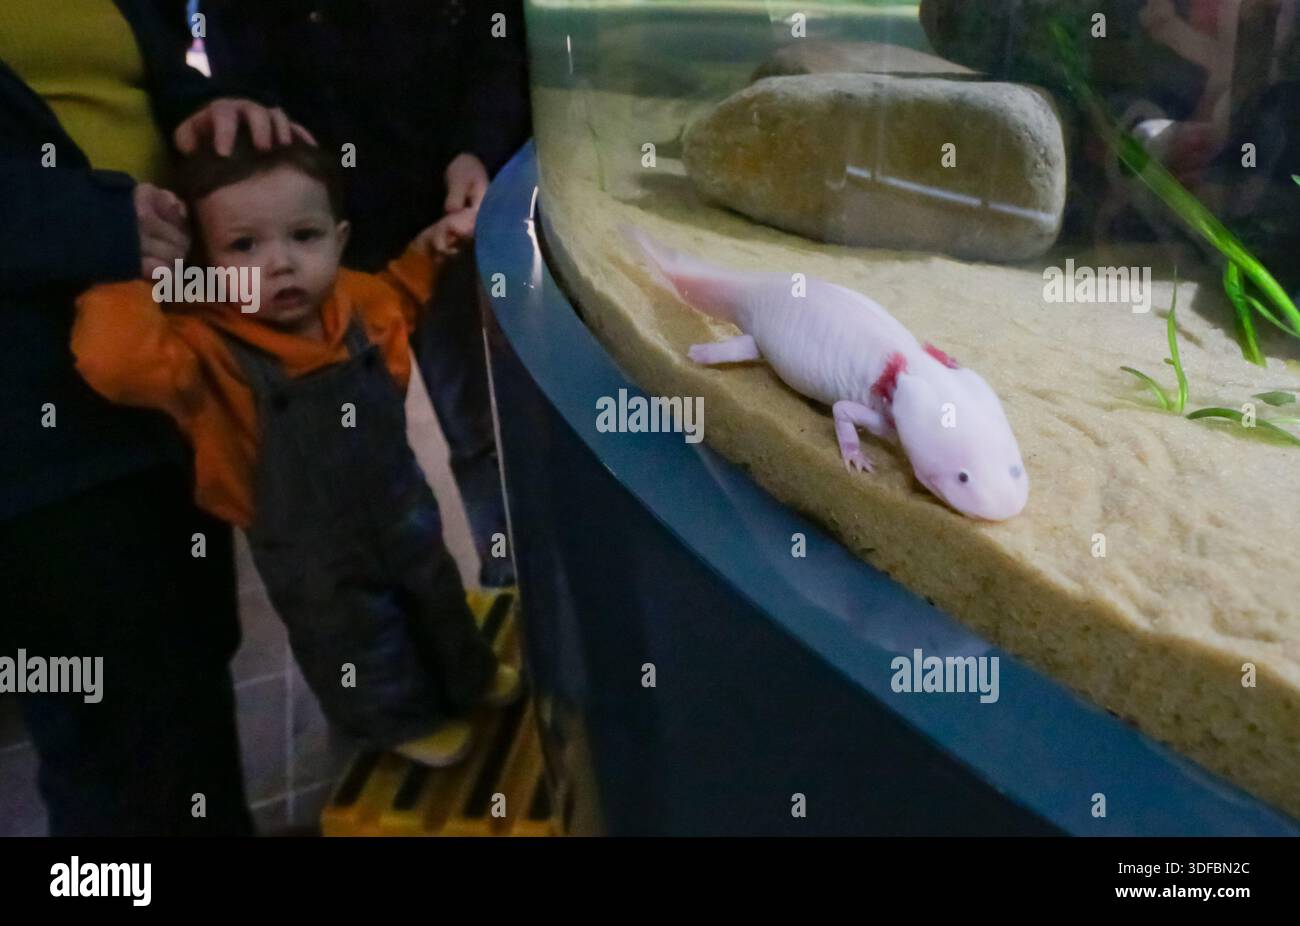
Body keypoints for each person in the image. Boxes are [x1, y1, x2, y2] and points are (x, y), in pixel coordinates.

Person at [71, 130, 522, 766]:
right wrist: (135, 277)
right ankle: (396, 719)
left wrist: (428, 252)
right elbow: (114, 362)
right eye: (243, 246)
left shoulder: (356, 300)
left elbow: (400, 293)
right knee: (353, 632)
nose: (279, 264)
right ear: (201, 270)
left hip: (401, 507)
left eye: (303, 237)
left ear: (338, 240)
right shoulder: (206, 349)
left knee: (435, 588)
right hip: (308, 545)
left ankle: (466, 674)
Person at [0, 0, 308, 836]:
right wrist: (90, 222)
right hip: (35, 428)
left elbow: (146, 72)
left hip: (162, 372)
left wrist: (206, 110)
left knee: (187, 674)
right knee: (111, 739)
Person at [202, 0, 533, 588]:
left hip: (427, 218)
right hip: (312, 241)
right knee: (354, 439)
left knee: (471, 422)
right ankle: (405, 585)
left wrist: (476, 146)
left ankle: (500, 575)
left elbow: (496, 40)